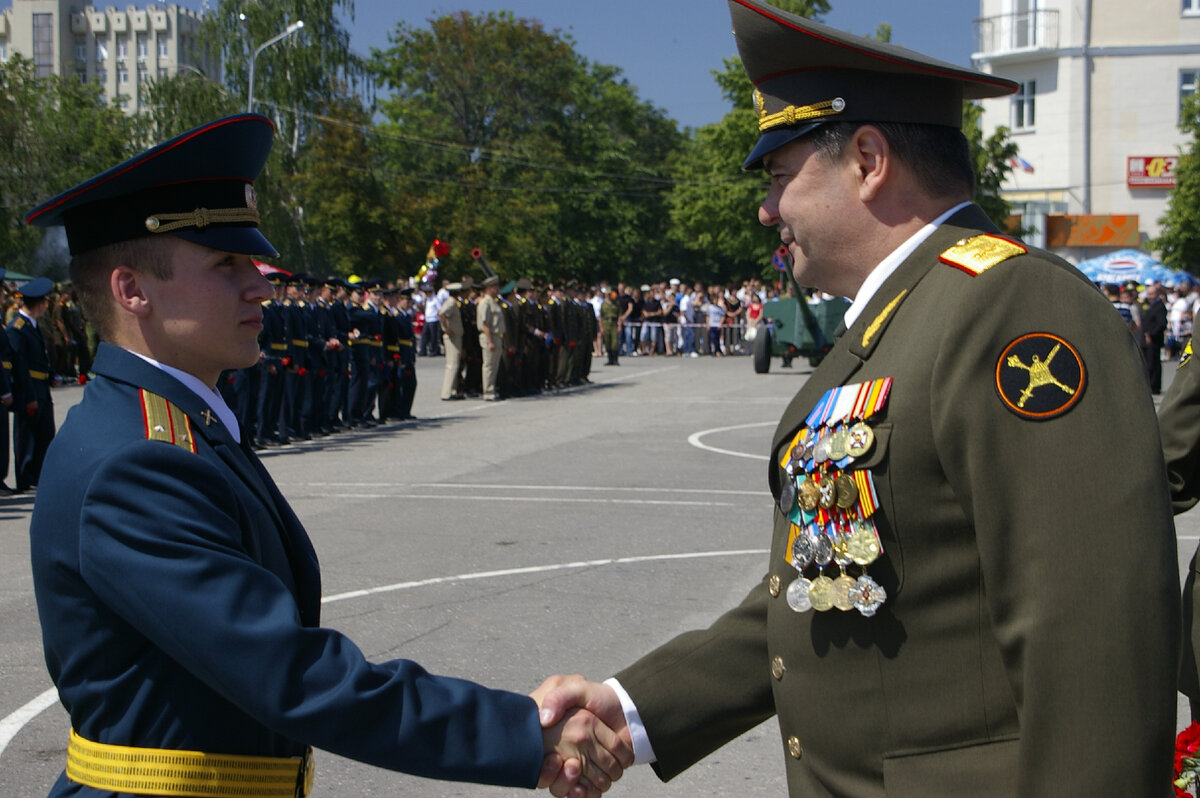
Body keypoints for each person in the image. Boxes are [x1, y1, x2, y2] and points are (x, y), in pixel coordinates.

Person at [536, 3, 1179, 796]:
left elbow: (1095, 650)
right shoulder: (900, 318)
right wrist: (629, 711)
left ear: (869, 159)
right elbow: (829, 589)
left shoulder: (1012, 309)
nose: (769, 209)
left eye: (779, 177)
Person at [23, 114, 630, 798]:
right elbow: (286, 670)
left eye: (252, 262)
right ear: (132, 290)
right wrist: (523, 732)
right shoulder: (135, 462)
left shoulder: (169, 428)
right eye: (226, 265)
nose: (260, 285)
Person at [8, 276, 58, 492]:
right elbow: (19, 364)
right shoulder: (17, 328)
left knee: (45, 433)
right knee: (26, 436)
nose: (46, 306)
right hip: (29, 387)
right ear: (38, 304)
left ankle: (39, 474)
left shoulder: (32, 325)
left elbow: (42, 356)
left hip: (41, 386)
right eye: (44, 302)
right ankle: (25, 477)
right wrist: (28, 396)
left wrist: (51, 375)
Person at [478, 274, 506, 401]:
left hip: (497, 336)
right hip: (490, 336)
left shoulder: (494, 302)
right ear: (489, 288)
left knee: (494, 365)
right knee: (489, 365)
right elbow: (485, 323)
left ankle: (492, 388)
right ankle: (488, 391)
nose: (497, 289)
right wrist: (489, 341)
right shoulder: (485, 303)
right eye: (495, 287)